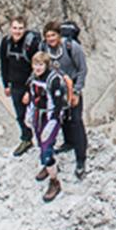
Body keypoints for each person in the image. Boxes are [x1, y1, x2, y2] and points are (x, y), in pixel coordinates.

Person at [42, 20, 88, 179]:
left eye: (53, 35)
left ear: (59, 35)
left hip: (72, 86)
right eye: (48, 36)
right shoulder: (44, 49)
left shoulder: (72, 47)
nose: (51, 39)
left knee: (75, 120)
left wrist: (76, 91)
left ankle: (81, 158)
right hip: (56, 88)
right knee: (62, 119)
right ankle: (68, 142)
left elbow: (82, 69)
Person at [0, 15, 43, 156]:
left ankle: (43, 141)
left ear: (25, 29)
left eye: (20, 28)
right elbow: (4, 64)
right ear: (10, 28)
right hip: (15, 84)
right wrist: (6, 84)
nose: (17, 31)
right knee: (20, 115)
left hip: (31, 85)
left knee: (37, 114)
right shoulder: (6, 43)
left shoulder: (32, 44)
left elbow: (38, 68)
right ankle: (26, 139)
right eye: (15, 28)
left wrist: (29, 91)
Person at [24, 51, 68, 202]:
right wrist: (29, 114)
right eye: (35, 64)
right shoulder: (33, 78)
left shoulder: (53, 80)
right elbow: (31, 97)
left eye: (41, 65)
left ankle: (54, 181)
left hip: (50, 117)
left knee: (46, 149)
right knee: (39, 143)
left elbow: (58, 105)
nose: (38, 68)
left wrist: (52, 124)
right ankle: (49, 166)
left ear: (46, 65)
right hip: (38, 115)